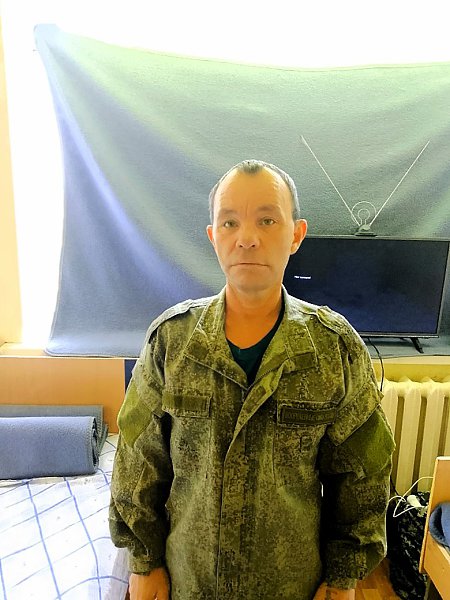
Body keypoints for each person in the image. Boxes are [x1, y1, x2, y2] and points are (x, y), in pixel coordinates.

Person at [109, 159, 394, 600]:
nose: (247, 238)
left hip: (291, 584)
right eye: (229, 223)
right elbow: (138, 460)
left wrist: (343, 577)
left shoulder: (334, 348)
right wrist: (144, 563)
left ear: (296, 234)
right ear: (213, 237)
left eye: (267, 220)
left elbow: (362, 475)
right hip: (190, 581)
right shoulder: (171, 341)